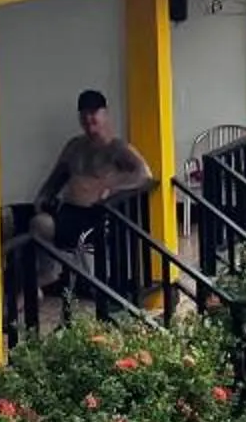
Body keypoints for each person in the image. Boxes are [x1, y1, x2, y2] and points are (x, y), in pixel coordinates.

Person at [34, 89, 158, 292]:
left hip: (96, 217)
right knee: (38, 224)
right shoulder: (74, 146)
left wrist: (113, 187)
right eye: (84, 113)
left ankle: (93, 285)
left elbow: (145, 175)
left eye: (94, 112)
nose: (88, 118)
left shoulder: (117, 148)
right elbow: (56, 176)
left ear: (105, 114)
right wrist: (43, 196)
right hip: (69, 211)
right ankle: (49, 273)